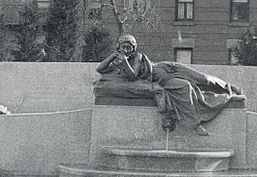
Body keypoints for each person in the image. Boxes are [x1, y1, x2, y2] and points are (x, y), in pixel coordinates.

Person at [95, 34, 243, 136]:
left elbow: (133, 73)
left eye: (129, 47)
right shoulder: (118, 62)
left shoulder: (137, 57)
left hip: (164, 69)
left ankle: (228, 86)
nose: (126, 50)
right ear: (118, 48)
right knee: (185, 87)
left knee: (203, 78)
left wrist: (124, 60)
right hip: (162, 80)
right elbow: (100, 69)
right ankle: (195, 124)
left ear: (134, 49)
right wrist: (113, 56)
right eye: (123, 47)